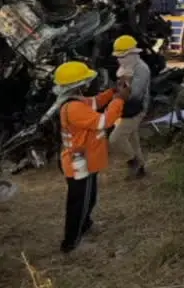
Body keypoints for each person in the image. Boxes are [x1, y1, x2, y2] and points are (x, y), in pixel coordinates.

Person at [54, 60, 127, 253]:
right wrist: (119, 100)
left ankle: (85, 225)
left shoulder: (75, 101)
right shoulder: (74, 108)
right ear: (79, 84)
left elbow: (95, 102)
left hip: (84, 161)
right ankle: (71, 244)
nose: (88, 83)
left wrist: (111, 93)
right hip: (80, 164)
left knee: (88, 197)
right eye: (85, 80)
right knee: (79, 203)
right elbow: (104, 121)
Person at [109, 35, 151, 179]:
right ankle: (141, 170)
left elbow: (135, 94)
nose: (119, 59)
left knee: (116, 138)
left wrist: (121, 90)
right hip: (125, 109)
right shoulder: (126, 67)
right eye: (118, 56)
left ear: (133, 54)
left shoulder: (141, 69)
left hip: (135, 110)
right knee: (133, 140)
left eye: (123, 56)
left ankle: (133, 161)